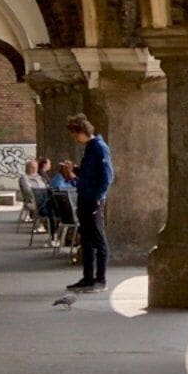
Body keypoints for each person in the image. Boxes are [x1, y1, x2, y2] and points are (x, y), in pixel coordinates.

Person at [65, 113, 113, 291]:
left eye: (75, 134)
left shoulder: (99, 147)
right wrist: (75, 170)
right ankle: (88, 278)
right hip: (85, 197)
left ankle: (100, 280)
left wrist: (98, 198)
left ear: (83, 131)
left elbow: (107, 177)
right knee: (86, 240)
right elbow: (88, 174)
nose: (75, 138)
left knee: (98, 239)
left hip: (93, 200)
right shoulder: (90, 148)